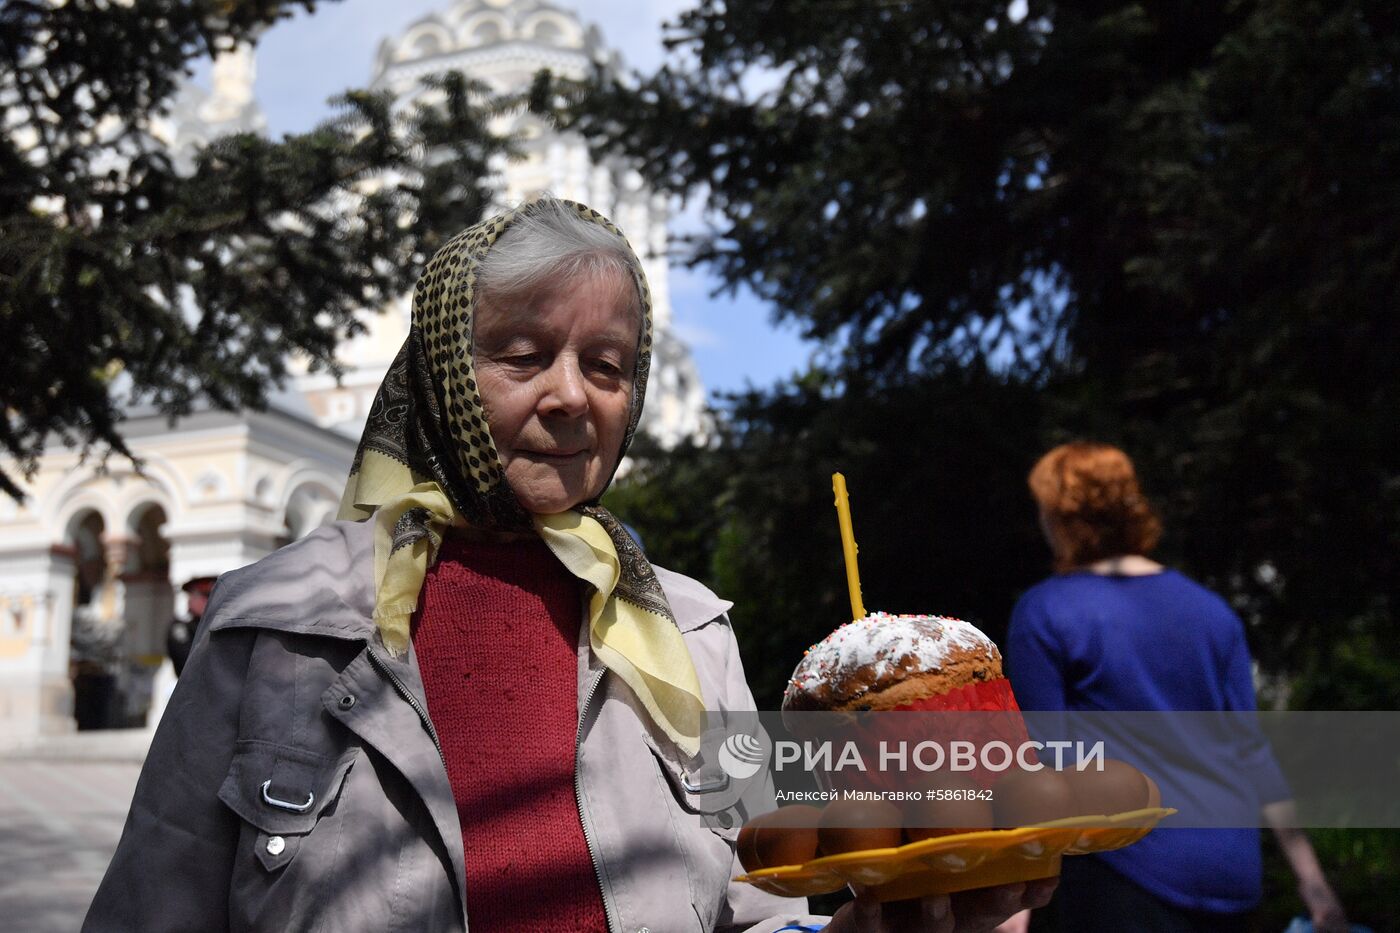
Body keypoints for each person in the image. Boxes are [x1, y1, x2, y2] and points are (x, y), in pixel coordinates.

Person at [83, 197, 1051, 932]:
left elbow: (760, 905)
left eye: (606, 365)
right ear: (443, 373)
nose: (570, 399)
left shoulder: (688, 635)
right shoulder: (279, 630)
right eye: (522, 354)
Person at [999, 441, 1346, 933]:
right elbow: (1250, 750)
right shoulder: (1211, 611)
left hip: (1124, 871)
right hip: (1231, 867)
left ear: (1062, 516)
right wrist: (1314, 883)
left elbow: (1043, 757)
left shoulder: (1046, 611)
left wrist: (1017, 896)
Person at [166, 576, 215, 677]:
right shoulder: (181, 627)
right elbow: (187, 662)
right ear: (191, 599)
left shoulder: (217, 623)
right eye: (205, 596)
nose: (208, 602)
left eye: (212, 597)